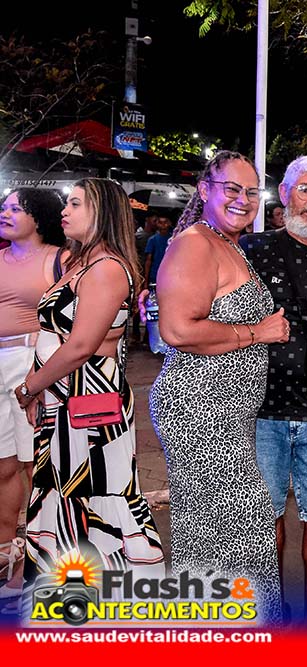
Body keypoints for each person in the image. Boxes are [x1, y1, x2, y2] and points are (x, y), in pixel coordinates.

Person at [149, 151, 289, 625]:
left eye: (252, 192)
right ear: (205, 189)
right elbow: (177, 329)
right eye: (232, 188)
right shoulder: (194, 244)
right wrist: (257, 332)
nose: (243, 199)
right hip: (199, 410)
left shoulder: (226, 242)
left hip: (226, 414)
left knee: (222, 530)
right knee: (238, 528)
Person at [13, 178, 164, 605]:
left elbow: (81, 345)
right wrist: (40, 386)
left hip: (87, 396)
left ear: (102, 212)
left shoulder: (108, 268)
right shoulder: (79, 262)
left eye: (76, 203)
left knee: (95, 495)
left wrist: (29, 387)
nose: (65, 210)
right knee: (62, 494)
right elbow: (52, 334)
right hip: (61, 395)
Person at [240, 156, 307, 625]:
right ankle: (273, 614)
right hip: (259, 408)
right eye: (306, 190)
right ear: (284, 194)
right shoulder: (250, 249)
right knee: (264, 520)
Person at [0, 188, 65, 607]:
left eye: (16, 208)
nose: (5, 213)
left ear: (39, 217)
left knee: (34, 465)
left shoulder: (59, 259)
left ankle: (34, 561)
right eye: (4, 207)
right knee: (4, 465)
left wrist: (41, 377)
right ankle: (6, 552)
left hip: (32, 363)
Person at [143, 212, 172, 287]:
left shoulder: (174, 239)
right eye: (160, 223)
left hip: (170, 274)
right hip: (154, 274)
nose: (163, 225)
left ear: (169, 223)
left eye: (165, 222)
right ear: (157, 224)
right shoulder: (152, 240)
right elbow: (148, 260)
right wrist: (146, 280)